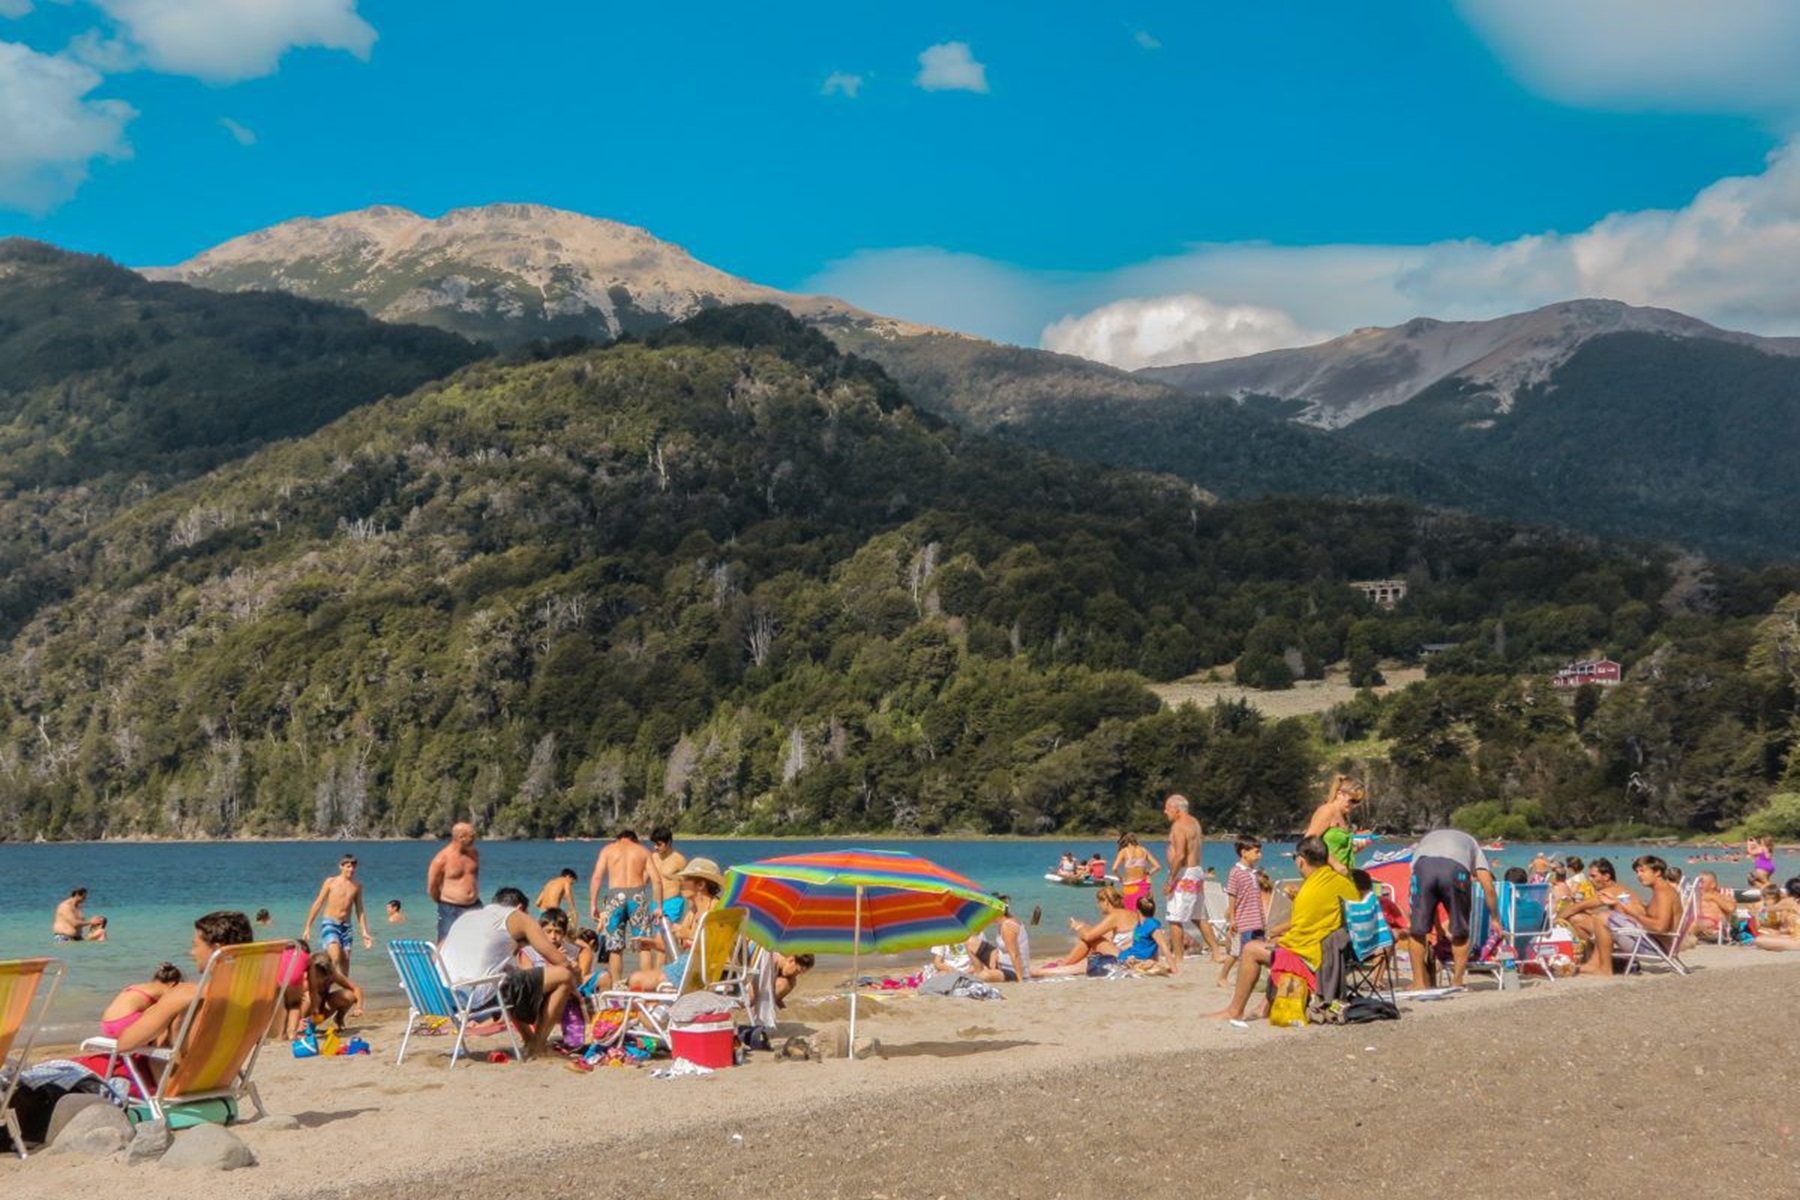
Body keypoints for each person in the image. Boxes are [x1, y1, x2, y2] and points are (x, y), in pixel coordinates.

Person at [1212, 836, 1359, 1021]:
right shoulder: (1341, 882)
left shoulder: (1310, 891)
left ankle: (1234, 1010)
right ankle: (1265, 1006)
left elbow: (1299, 936)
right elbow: (1320, 919)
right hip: (1341, 953)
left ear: (1301, 860)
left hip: (1315, 958)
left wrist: (1277, 938)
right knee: (1272, 943)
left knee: (1250, 950)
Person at [438, 886, 575, 1060]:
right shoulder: (516, 917)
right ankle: (538, 1047)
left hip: (443, 994)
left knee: (510, 977)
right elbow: (561, 961)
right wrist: (575, 989)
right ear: (519, 908)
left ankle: (529, 1040)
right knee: (564, 976)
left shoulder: (467, 917)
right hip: (474, 996)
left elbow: (439, 954)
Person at [113, 911, 254, 1056]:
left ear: (216, 950)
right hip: (220, 1076)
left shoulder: (187, 994)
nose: (192, 953)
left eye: (195, 945)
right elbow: (273, 1031)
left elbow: (125, 1043)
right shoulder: (257, 995)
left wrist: (155, 1012)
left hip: (162, 1076)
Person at [1400, 828, 1505, 988]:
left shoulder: (1427, 840)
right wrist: (1495, 919)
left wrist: (1437, 927)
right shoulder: (1473, 845)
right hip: (1455, 871)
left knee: (1418, 931)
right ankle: (1457, 982)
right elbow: (1488, 886)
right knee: (1460, 932)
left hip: (1423, 867)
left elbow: (1430, 900)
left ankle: (1418, 983)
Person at [626, 859, 726, 991]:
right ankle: (653, 1009)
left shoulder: (715, 909)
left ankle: (651, 1010)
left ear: (701, 884)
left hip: (701, 971)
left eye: (685, 880)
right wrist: (653, 944)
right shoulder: (693, 912)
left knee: (636, 980)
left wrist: (687, 933)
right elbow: (681, 949)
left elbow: (719, 946)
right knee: (635, 979)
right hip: (690, 966)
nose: (680, 884)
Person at [589, 829, 660, 984]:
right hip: (637, 896)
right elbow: (656, 880)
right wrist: (658, 906)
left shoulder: (608, 850)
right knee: (644, 945)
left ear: (618, 839)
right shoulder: (642, 851)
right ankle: (646, 984)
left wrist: (593, 904)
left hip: (615, 897)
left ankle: (616, 986)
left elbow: (597, 877)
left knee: (615, 947)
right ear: (635, 840)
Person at [1163, 793, 1223, 967]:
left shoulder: (1179, 826)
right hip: (1196, 871)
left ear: (1176, 809)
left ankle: (1178, 958)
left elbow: (1180, 854)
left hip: (1185, 873)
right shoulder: (1194, 823)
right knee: (1198, 916)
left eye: (1167, 808)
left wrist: (1170, 880)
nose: (1165, 812)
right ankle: (1216, 951)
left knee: (1174, 918)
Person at [1559, 858, 1640, 976]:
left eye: (1593, 876)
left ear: (1606, 876)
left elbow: (1575, 908)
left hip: (1630, 935)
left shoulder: (1610, 891)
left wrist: (1552, 922)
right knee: (1589, 917)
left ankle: (1593, 961)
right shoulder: (1620, 888)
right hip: (1634, 932)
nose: (1590, 880)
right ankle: (1593, 960)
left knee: (1576, 919)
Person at [1033, 886, 1134, 977]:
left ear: (1106, 902)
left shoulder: (1115, 916)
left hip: (1124, 957)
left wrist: (1078, 927)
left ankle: (1065, 963)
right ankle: (1058, 966)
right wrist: (1084, 927)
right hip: (1128, 955)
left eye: (1099, 902)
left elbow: (1089, 937)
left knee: (1087, 939)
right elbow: (1106, 936)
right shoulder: (1128, 914)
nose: (1098, 906)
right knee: (1084, 961)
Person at [301, 854, 374, 973]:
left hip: (346, 926)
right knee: (335, 958)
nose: (351, 869)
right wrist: (308, 927)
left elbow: (360, 910)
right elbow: (318, 903)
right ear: (341, 866)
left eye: (354, 867)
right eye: (348, 866)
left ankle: (343, 987)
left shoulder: (357, 886)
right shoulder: (331, 882)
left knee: (345, 959)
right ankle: (325, 987)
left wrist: (364, 932)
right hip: (330, 922)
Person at [98, 962, 183, 1043]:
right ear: (172, 984)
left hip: (106, 1025)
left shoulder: (136, 986)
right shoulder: (166, 991)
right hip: (124, 1027)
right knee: (170, 1014)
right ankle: (172, 1047)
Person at [1221, 838, 1267, 986]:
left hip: (1257, 919)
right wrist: (1233, 918)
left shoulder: (1255, 873)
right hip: (1243, 920)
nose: (1259, 855)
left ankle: (1252, 980)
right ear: (1244, 852)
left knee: (1258, 950)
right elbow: (1232, 895)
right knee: (1237, 953)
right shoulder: (1236, 872)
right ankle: (1223, 976)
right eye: (1256, 852)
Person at [427, 822, 482, 942]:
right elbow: (432, 888)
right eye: (472, 836)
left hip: (475, 905)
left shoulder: (474, 854)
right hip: (451, 908)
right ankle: (438, 961)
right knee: (446, 942)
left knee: (479, 940)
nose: (475, 839)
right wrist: (446, 902)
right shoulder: (441, 859)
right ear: (461, 837)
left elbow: (473, 878)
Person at [960, 897, 1032, 984]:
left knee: (984, 976)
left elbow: (1015, 954)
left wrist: (1021, 979)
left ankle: (980, 976)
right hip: (1001, 963)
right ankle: (978, 972)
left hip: (1012, 970)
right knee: (970, 942)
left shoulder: (1007, 927)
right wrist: (995, 953)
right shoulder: (1004, 922)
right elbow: (1004, 948)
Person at [1303, 774, 1365, 873]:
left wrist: (1357, 848)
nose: (1354, 805)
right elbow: (1308, 842)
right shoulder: (1327, 811)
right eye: (1352, 800)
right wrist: (1335, 863)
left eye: (1357, 802)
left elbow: (1339, 850)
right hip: (1324, 873)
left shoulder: (1345, 818)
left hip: (1343, 874)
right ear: (1339, 794)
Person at [308, 950, 365, 1030]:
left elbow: (356, 988)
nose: (324, 978)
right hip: (305, 1011)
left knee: (349, 995)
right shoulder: (305, 977)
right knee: (309, 997)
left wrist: (359, 1007)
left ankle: (338, 1019)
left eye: (326, 975)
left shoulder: (332, 974)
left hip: (320, 1010)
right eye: (319, 975)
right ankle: (302, 1024)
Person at [1112, 833, 1161, 919]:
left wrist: (1120, 878)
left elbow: (1114, 868)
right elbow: (1157, 866)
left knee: (1130, 912)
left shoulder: (1124, 851)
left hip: (1129, 886)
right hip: (1143, 884)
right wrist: (1148, 873)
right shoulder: (1144, 850)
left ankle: (1133, 930)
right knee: (1144, 910)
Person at [1120, 894, 1173, 972]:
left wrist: (1173, 969)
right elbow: (1138, 941)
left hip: (1139, 958)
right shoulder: (1139, 925)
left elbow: (1163, 946)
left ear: (1137, 911)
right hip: (1132, 954)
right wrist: (1124, 946)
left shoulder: (1151, 925)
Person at [649, 826, 688, 899]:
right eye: (654, 844)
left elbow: (689, 883)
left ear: (668, 842)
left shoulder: (679, 859)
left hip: (673, 901)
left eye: (659, 844)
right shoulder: (652, 858)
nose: (655, 847)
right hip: (656, 902)